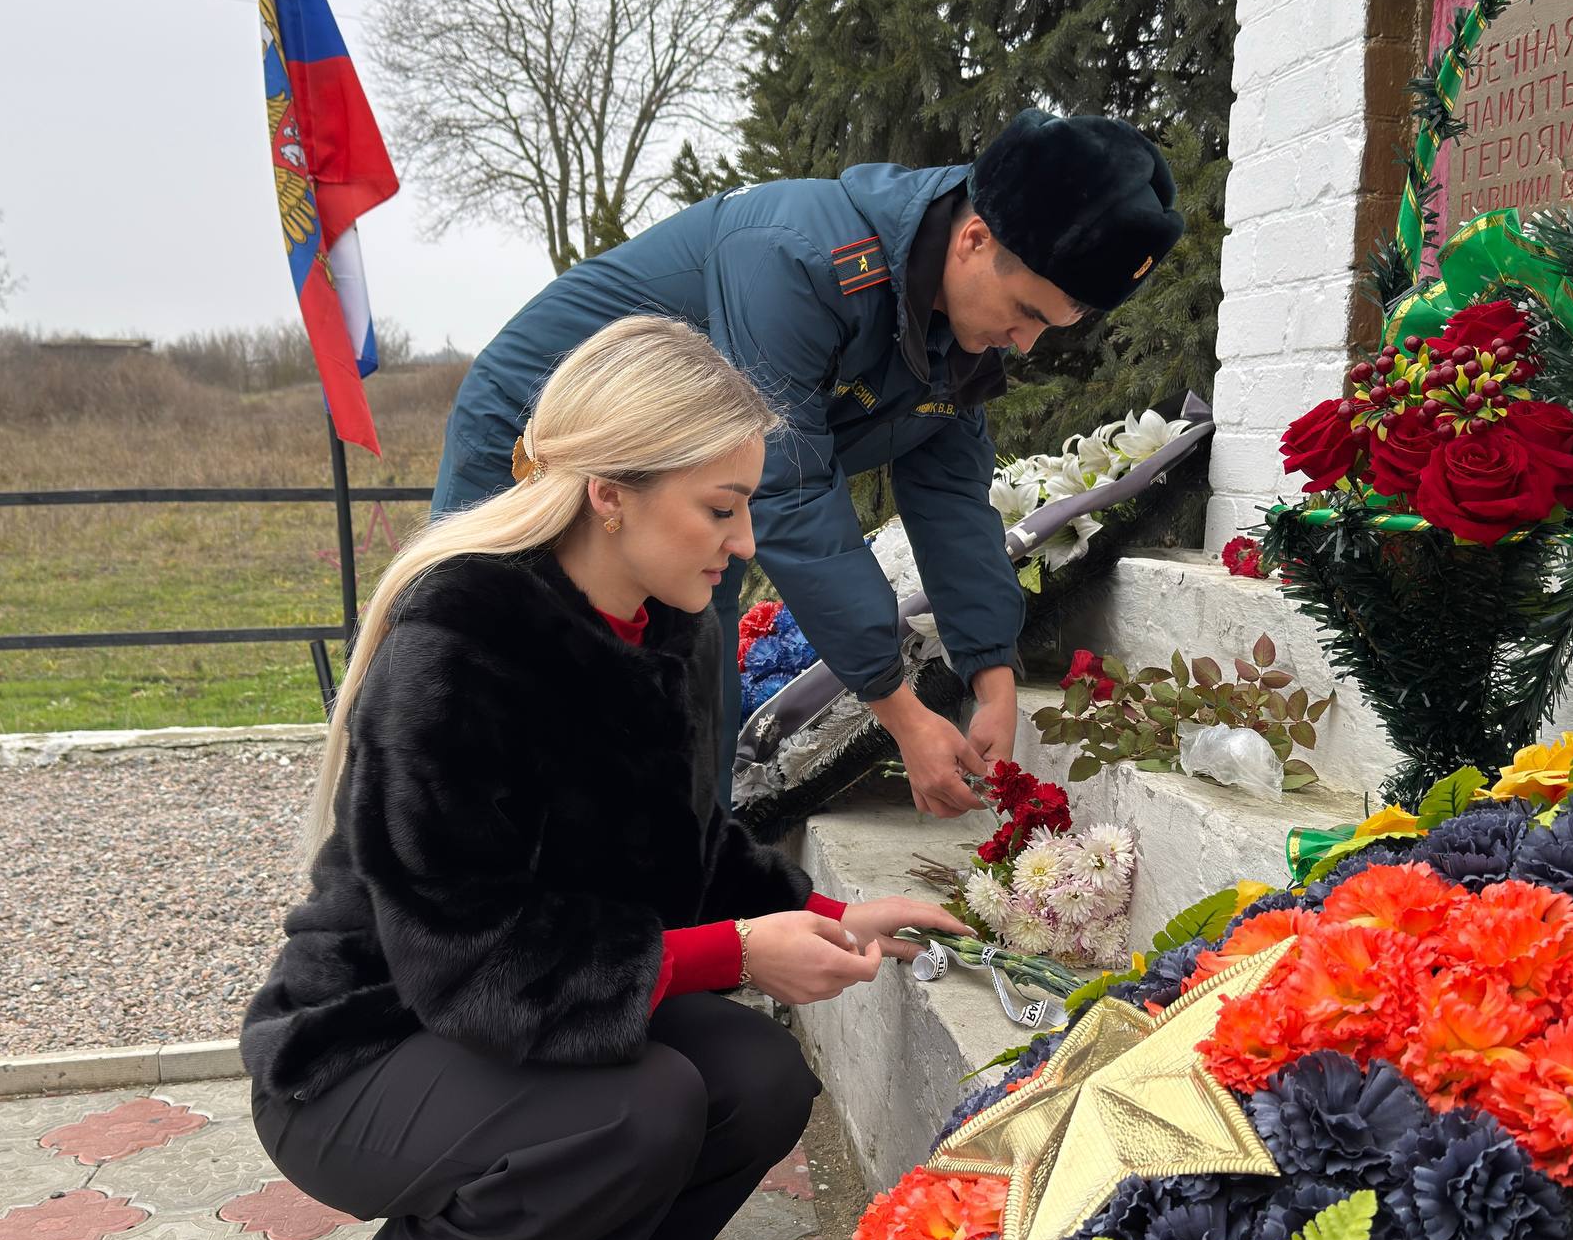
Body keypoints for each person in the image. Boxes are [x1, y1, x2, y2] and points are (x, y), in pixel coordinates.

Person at [240, 317, 967, 1240]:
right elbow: (463, 957)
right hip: (365, 1051)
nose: (742, 542)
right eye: (718, 508)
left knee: (760, 1079)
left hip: (494, 1029)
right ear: (608, 493)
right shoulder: (461, 639)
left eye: (747, 509)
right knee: (649, 1104)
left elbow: (681, 851)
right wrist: (737, 952)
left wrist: (826, 914)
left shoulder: (661, 630)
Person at [431, 109, 1186, 815]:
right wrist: (900, 713)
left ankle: (670, 907)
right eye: (1026, 312)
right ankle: (444, 890)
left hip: (684, 472)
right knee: (503, 664)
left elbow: (953, 499)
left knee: (697, 683)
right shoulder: (798, 258)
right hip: (543, 430)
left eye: (1050, 328)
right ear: (975, 240)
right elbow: (791, 492)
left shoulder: (958, 334)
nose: (1025, 344)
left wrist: (992, 677)